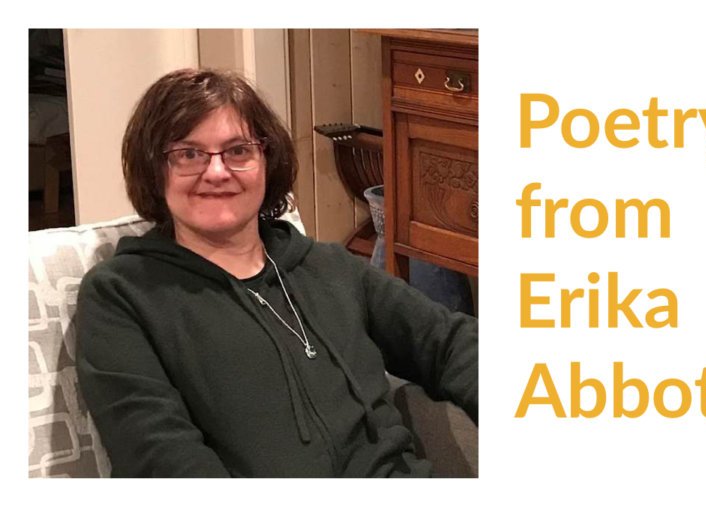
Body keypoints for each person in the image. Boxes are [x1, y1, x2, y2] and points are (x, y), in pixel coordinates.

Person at [75, 68, 478, 478]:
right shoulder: (122, 295)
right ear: (154, 170)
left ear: (267, 161)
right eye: (189, 154)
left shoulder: (329, 267)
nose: (216, 172)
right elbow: (163, 462)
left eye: (238, 151)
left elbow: (447, 342)